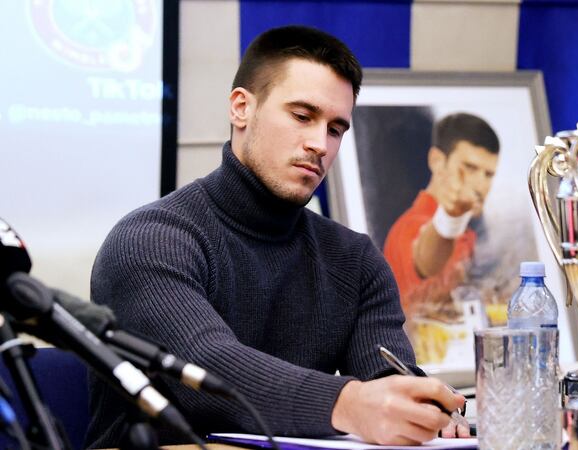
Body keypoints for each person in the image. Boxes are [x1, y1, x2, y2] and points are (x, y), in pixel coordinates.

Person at [86, 25, 466, 448]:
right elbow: (207, 364)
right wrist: (350, 403)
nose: (320, 144)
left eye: (336, 129)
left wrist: (419, 408)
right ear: (241, 108)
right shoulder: (149, 241)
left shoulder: (355, 260)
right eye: (303, 116)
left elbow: (385, 376)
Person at [383, 114, 500, 363]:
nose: (479, 184)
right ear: (437, 161)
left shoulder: (469, 235)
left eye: (488, 174)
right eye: (469, 168)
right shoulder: (411, 228)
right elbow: (426, 262)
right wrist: (451, 215)